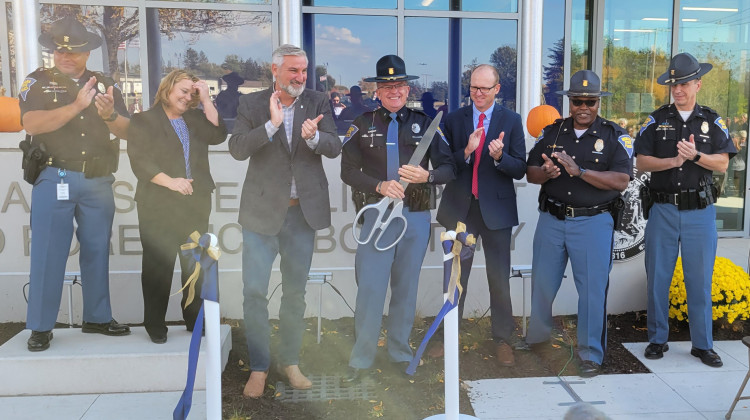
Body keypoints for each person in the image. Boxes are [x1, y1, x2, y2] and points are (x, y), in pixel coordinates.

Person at [228, 44, 341, 398]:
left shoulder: (318, 101)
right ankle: (260, 367)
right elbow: (237, 148)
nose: (300, 77)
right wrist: (271, 125)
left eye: (304, 70)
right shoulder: (252, 103)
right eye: (293, 70)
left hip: (300, 215)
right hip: (261, 215)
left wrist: (315, 138)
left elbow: (335, 146)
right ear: (274, 70)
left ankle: (289, 361)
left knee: (295, 293)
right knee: (254, 293)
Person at [340, 54, 455, 383]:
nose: (394, 90)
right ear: (377, 90)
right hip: (377, 218)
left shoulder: (426, 124)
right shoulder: (361, 125)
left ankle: (399, 353)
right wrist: (378, 184)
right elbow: (347, 171)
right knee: (371, 291)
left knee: (406, 289)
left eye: (400, 85)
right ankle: (361, 359)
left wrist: (427, 176)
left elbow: (450, 168)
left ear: (408, 89)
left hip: (414, 218)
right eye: (387, 85)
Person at [19, 16, 131, 352]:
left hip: (97, 177)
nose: (65, 57)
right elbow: (32, 123)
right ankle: (40, 326)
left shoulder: (106, 82)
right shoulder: (36, 82)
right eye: (59, 51)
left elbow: (127, 131)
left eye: (73, 52)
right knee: (48, 251)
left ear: (86, 54)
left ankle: (97, 317)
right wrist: (77, 106)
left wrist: (110, 114)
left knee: (97, 250)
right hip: (56, 176)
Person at [524, 70, 633, 377]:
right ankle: (537, 338)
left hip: (593, 222)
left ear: (599, 102)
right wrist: (547, 172)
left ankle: (590, 355)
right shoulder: (554, 132)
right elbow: (530, 172)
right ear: (569, 102)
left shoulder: (614, 136)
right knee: (543, 283)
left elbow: (622, 180)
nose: (584, 107)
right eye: (578, 101)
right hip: (552, 219)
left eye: (590, 101)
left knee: (592, 291)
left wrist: (580, 171)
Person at [634, 52, 735, 367]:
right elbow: (640, 161)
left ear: (698, 84)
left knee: (699, 279)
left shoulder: (711, 120)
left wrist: (694, 156)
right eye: (673, 84)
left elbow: (722, 163)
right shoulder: (657, 119)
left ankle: (702, 345)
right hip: (663, 209)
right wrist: (673, 161)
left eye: (684, 83)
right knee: (658, 277)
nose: (678, 89)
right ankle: (657, 339)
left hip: (699, 213)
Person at [430, 64, 527, 366]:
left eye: (485, 88)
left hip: (496, 211)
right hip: (462, 208)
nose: (479, 93)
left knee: (499, 279)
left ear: (498, 89)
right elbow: (445, 164)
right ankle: (448, 337)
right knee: (456, 279)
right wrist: (468, 152)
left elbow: (520, 167)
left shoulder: (511, 120)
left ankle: (502, 340)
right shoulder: (454, 120)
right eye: (474, 87)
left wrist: (500, 157)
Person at [127, 70, 227, 344]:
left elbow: (219, 135)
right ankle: (155, 323)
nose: (187, 97)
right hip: (157, 203)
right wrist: (171, 182)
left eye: (191, 93)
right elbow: (139, 161)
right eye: (182, 91)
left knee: (195, 263)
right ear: (167, 89)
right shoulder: (143, 120)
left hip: (195, 202)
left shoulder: (195, 119)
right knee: (158, 264)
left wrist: (206, 99)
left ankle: (194, 319)